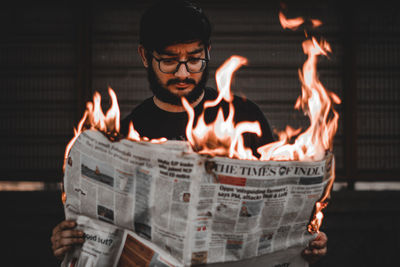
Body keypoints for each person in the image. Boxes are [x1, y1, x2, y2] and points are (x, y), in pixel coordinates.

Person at [51, 0, 327, 264]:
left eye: (194, 59)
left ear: (208, 51)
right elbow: (104, 233)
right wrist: (69, 239)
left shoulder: (244, 117)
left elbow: (278, 215)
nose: (183, 73)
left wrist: (306, 242)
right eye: (169, 61)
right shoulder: (127, 135)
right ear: (145, 56)